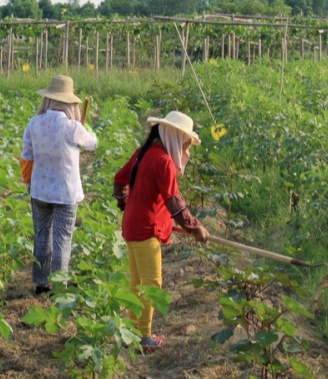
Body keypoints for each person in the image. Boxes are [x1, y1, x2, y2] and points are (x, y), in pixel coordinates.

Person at [113, 111, 209, 353]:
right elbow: (173, 201)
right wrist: (195, 227)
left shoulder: (144, 153)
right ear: (174, 136)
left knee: (137, 283)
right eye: (185, 141)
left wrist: (127, 204)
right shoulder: (163, 161)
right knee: (151, 284)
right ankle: (144, 336)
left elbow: (119, 179)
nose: (187, 147)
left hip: (132, 225)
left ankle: (133, 331)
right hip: (146, 229)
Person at [21, 75, 98, 296]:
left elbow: (26, 154)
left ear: (49, 99)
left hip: (40, 189)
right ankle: (59, 286)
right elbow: (92, 144)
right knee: (62, 237)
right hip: (66, 191)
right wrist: (84, 129)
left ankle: (40, 283)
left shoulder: (34, 123)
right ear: (70, 103)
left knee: (42, 234)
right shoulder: (73, 127)